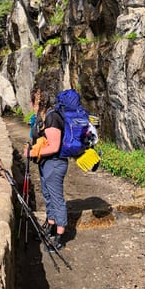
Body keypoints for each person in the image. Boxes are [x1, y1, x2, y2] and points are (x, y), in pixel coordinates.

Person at [27, 89, 93, 245]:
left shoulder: (52, 118)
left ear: (37, 103)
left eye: (31, 101)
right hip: (46, 163)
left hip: (55, 163)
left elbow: (54, 147)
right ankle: (50, 224)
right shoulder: (42, 117)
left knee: (56, 199)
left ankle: (60, 236)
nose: (29, 104)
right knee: (48, 196)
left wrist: (32, 153)